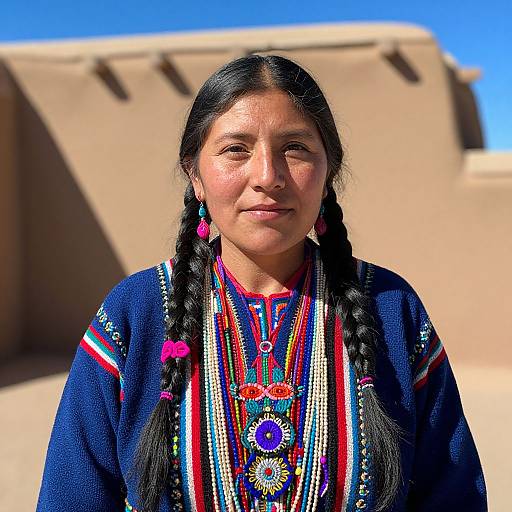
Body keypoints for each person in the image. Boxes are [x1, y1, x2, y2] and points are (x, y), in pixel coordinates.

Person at [36, 54, 487, 512]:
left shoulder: (391, 309)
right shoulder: (136, 314)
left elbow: (455, 494)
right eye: (236, 149)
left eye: (295, 147)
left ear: (328, 172)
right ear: (196, 174)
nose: (268, 177)